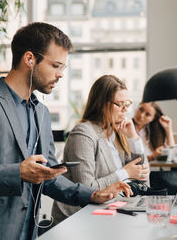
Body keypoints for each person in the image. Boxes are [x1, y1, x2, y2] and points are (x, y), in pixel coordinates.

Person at [0, 22, 131, 240]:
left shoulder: (41, 112)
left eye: (63, 67)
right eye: (56, 65)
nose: (60, 75)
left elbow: (48, 176)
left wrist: (93, 195)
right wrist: (18, 173)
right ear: (30, 59)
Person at [51, 75, 150, 225]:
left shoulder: (118, 132)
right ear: (101, 104)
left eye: (127, 104)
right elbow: (86, 188)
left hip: (109, 214)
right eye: (119, 104)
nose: (125, 110)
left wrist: (134, 138)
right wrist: (124, 173)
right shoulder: (83, 133)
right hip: (78, 219)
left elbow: (142, 179)